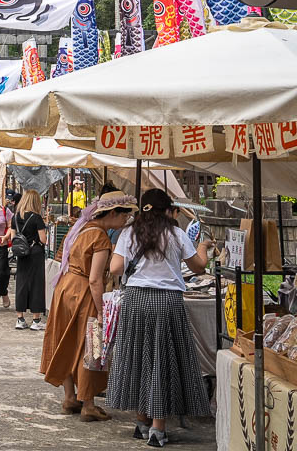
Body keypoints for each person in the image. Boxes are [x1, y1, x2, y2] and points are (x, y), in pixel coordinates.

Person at [107, 188, 214, 447]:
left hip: (135, 300)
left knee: (138, 358)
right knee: (162, 361)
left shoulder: (129, 233)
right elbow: (199, 266)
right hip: (167, 302)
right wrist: (203, 247)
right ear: (168, 211)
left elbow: (115, 268)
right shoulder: (176, 234)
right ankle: (159, 428)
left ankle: (141, 421)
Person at [41, 192, 137, 420]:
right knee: (91, 345)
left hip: (65, 288)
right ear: (113, 213)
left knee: (66, 341)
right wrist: (102, 311)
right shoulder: (101, 237)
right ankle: (88, 405)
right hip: (84, 291)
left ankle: (70, 397)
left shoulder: (81, 228)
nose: (126, 221)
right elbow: (95, 279)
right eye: (125, 215)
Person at [13, 189, 49, 331]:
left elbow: (12, 237)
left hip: (21, 254)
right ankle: (36, 319)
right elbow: (43, 239)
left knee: (21, 284)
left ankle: (20, 318)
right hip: (35, 253)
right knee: (36, 285)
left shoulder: (15, 217)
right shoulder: (36, 218)